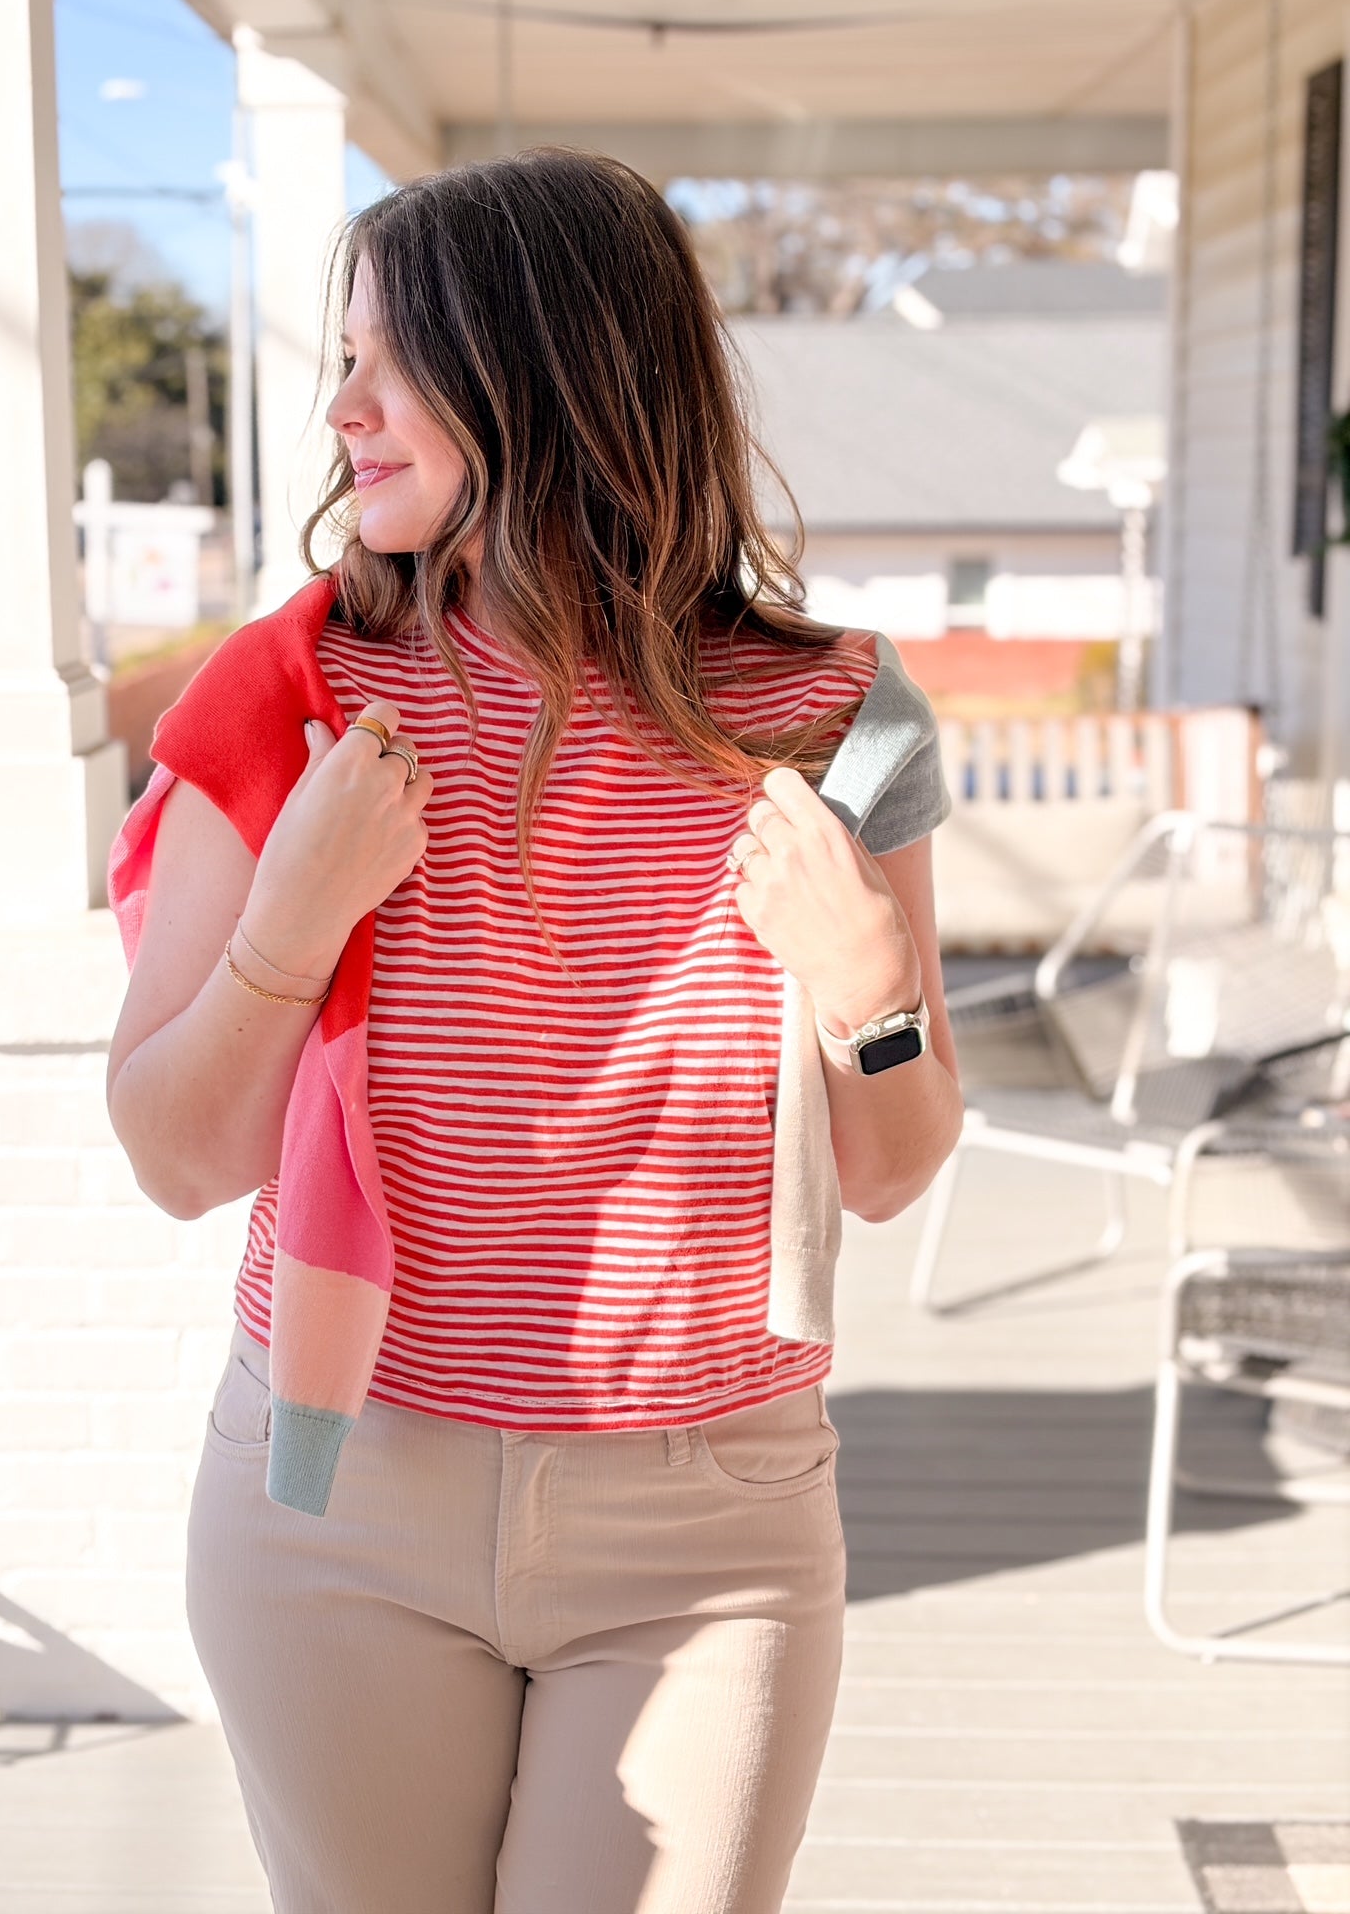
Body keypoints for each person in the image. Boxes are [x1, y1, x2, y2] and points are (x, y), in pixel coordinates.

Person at [105, 148, 963, 1914]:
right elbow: (178, 1157)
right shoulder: (288, 699)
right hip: (338, 1502)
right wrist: (291, 922)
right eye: (337, 360)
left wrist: (867, 994)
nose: (339, 409)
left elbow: (888, 1166)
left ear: (547, 366)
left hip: (707, 1525)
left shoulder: (844, 717)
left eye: (384, 359)